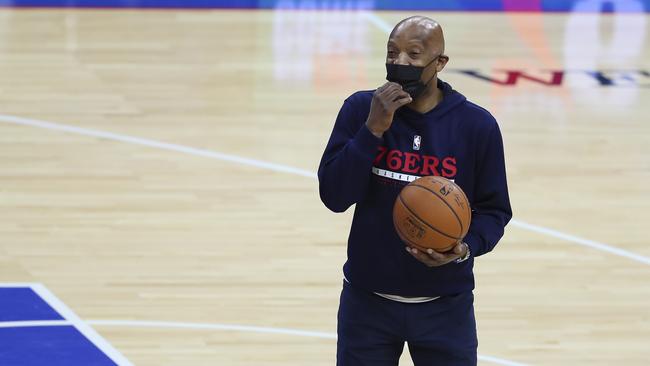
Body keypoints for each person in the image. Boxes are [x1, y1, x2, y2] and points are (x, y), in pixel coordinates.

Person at [317, 16, 513, 366]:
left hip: (445, 307)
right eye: (392, 53)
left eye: (413, 54)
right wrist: (372, 131)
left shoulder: (476, 126)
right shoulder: (361, 110)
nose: (400, 63)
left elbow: (494, 211)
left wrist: (464, 249)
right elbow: (334, 196)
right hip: (367, 303)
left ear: (440, 63)